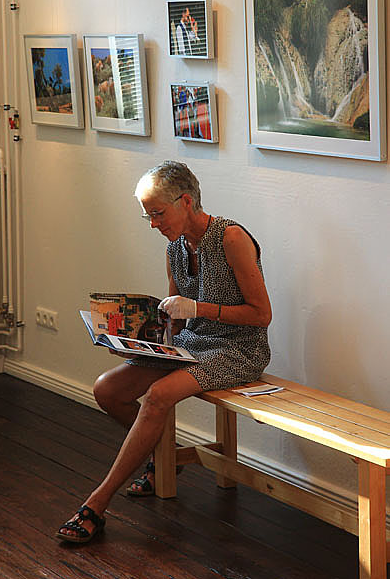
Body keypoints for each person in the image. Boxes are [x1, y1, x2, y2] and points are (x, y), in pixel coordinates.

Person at [56, 160, 272, 544]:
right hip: (192, 343)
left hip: (238, 350)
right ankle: (165, 454)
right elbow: (176, 319)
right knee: (108, 389)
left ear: (186, 201)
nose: (154, 223)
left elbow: (261, 315)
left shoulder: (231, 238)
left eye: (158, 213)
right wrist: (133, 338)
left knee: (157, 396)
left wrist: (197, 309)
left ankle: (96, 503)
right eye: (148, 216)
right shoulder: (174, 247)